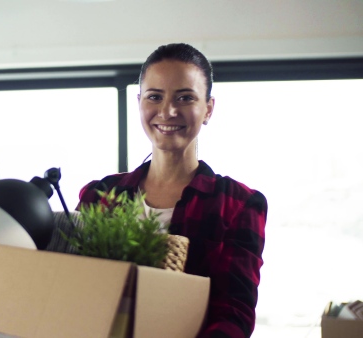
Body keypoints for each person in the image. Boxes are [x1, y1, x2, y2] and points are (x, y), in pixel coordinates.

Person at [76, 43, 267, 338]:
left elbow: (233, 312)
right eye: (155, 97)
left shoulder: (239, 204)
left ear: (208, 109)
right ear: (140, 102)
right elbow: (70, 283)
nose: (168, 110)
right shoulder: (99, 195)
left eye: (185, 97)